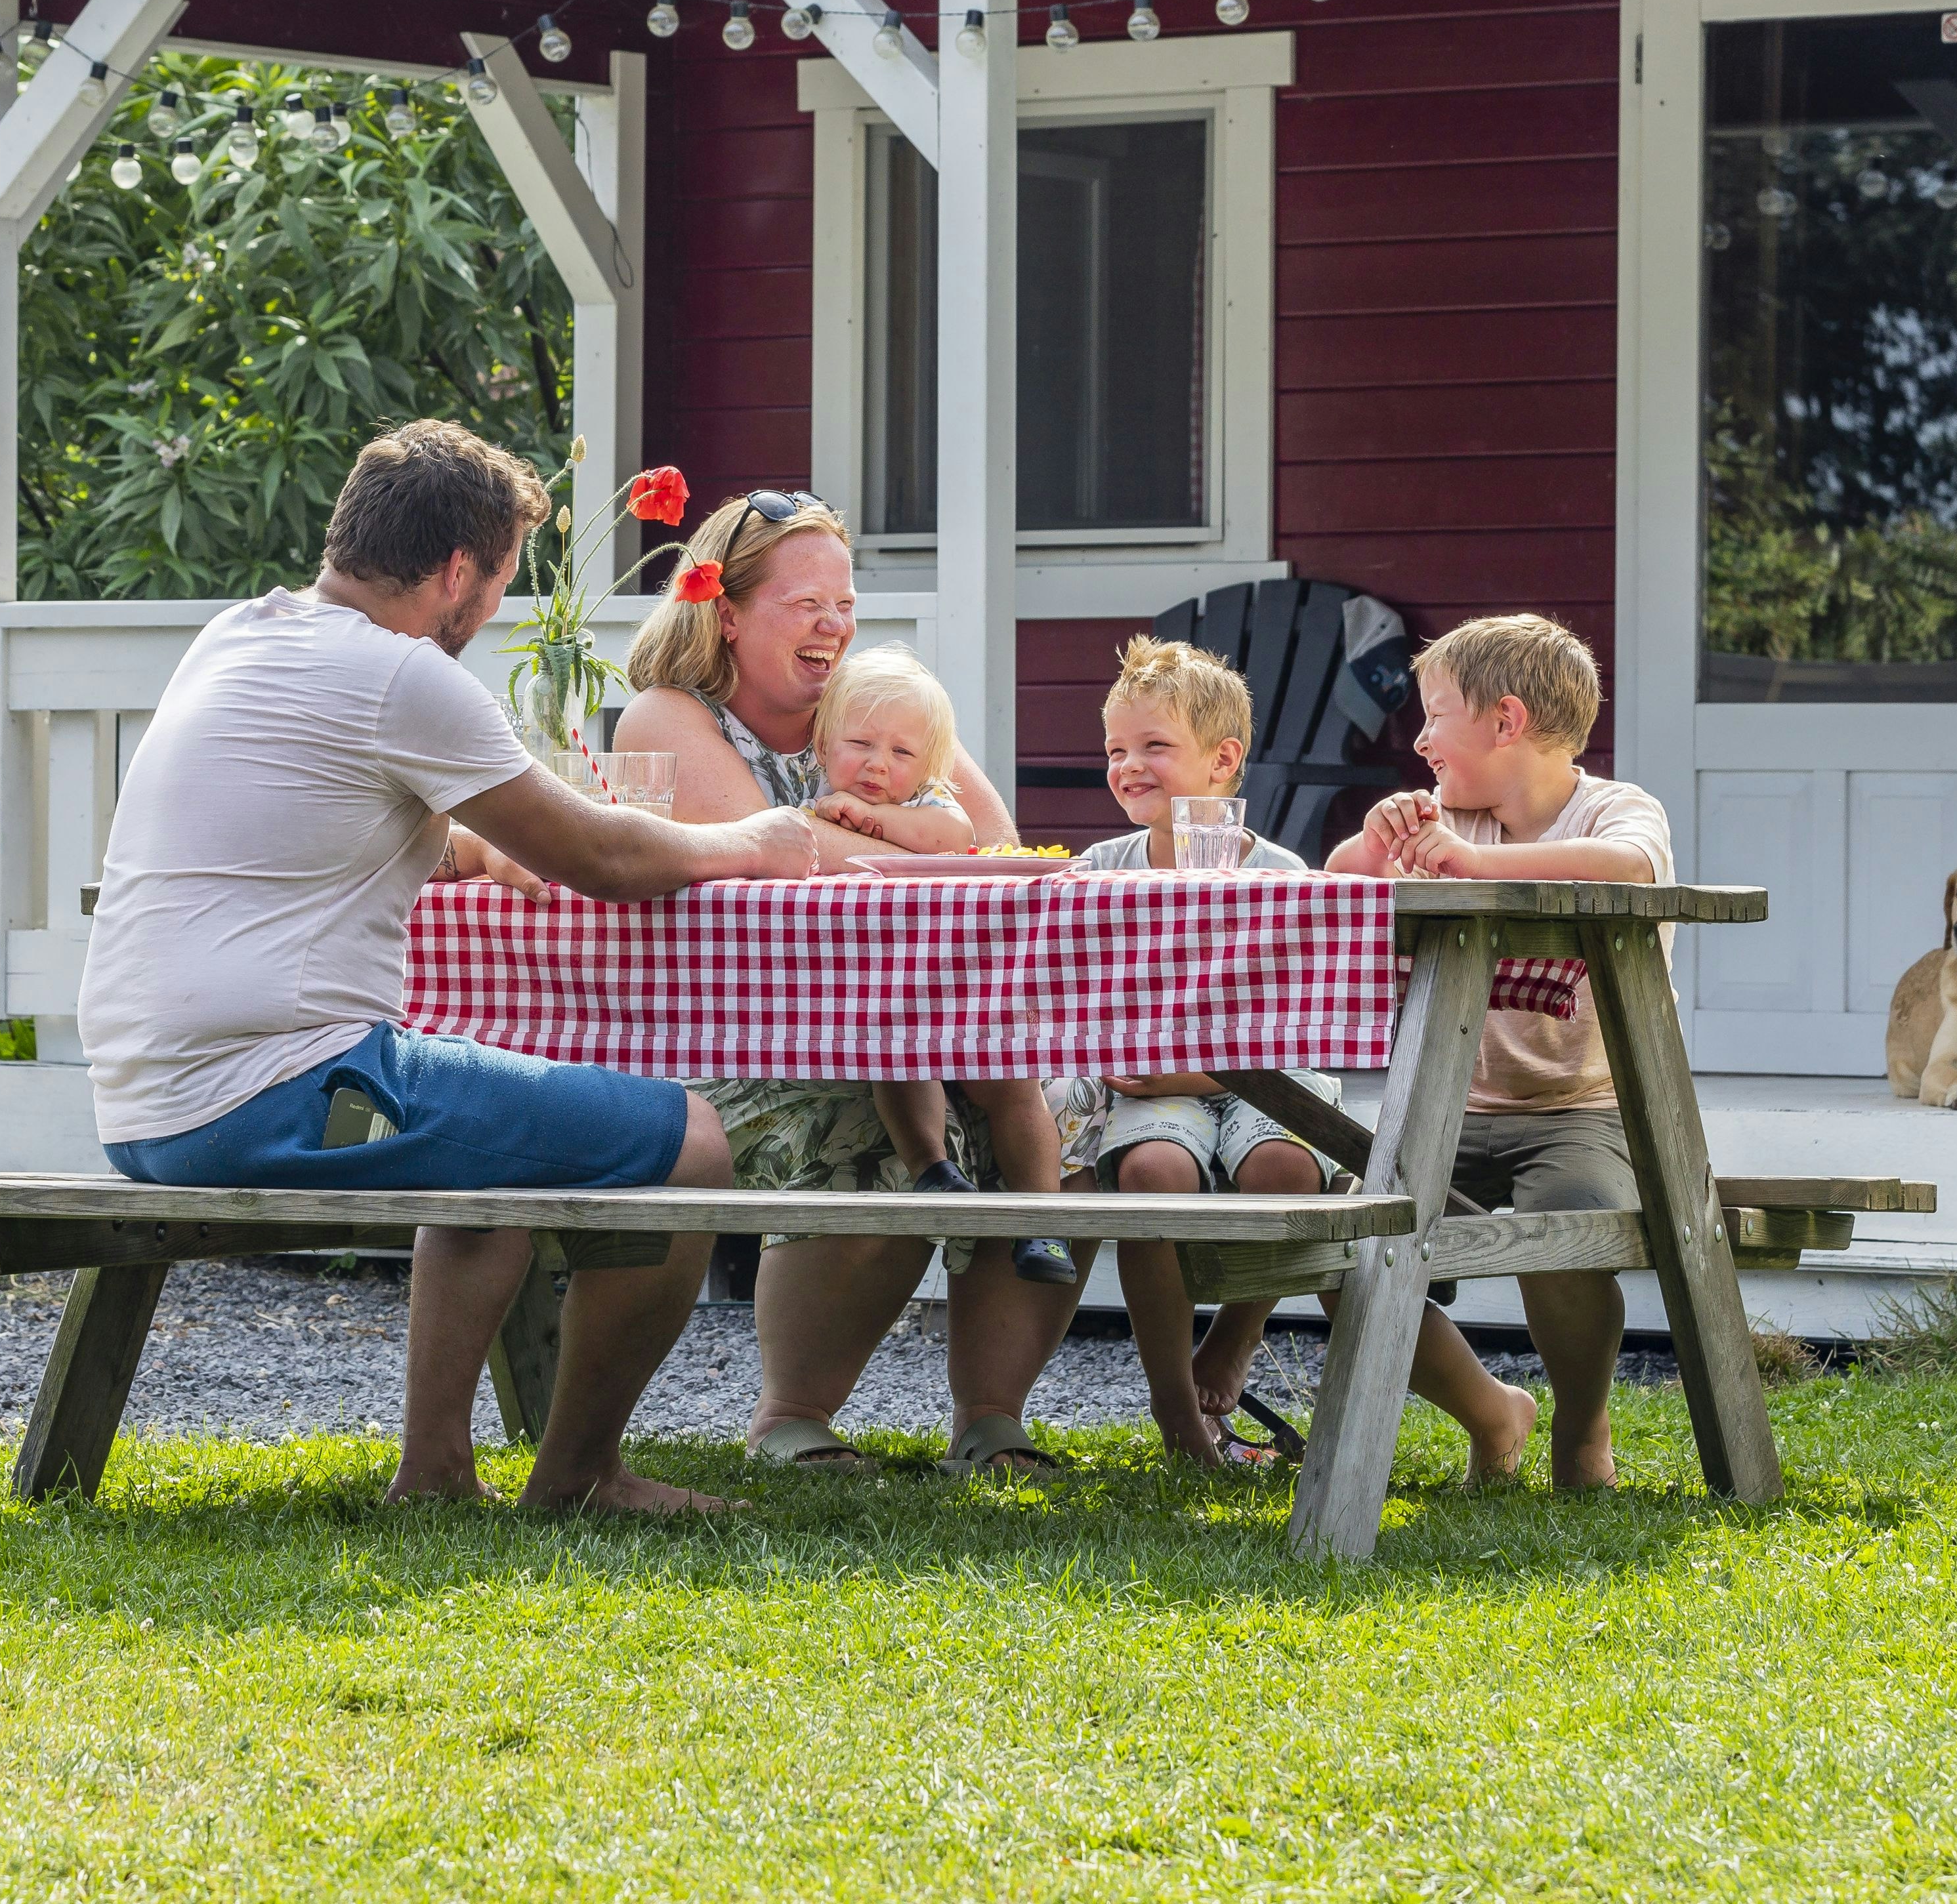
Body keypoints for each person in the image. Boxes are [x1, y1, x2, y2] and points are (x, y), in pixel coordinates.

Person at [77, 421, 815, 1516]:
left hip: (143, 1100)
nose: (497, 613)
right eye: (503, 585)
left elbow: (312, 816)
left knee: (494, 1133)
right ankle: (581, 1478)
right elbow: (602, 855)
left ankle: (435, 1474)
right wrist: (753, 842)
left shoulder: (237, 634)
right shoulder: (400, 675)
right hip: (279, 1095)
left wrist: (466, 847)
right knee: (693, 1145)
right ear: (459, 572)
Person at [610, 491, 1085, 1478]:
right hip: (737, 1042)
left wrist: (907, 842)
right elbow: (774, 855)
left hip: (920, 1024)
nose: (836, 623)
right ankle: (789, 1417)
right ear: (726, 612)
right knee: (879, 1124)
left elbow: (1000, 845)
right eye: (806, 602)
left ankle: (993, 1420)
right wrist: (918, 846)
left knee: (1039, 1107)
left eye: (846, 600)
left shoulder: (878, 704)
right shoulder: (669, 718)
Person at [1076, 636, 1540, 1480]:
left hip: (1269, 1075)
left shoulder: (1281, 875)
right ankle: (1177, 1412)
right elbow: (1087, 1010)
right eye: (1114, 749)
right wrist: (1157, 1073)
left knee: (1287, 1169)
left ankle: (1233, 1339)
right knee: (1151, 1174)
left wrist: (1195, 1072)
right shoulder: (1097, 873)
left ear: (1222, 762)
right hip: (1154, 1084)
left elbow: (1298, 1030)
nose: (1127, 765)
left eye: (1153, 746)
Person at [1326, 611, 1671, 1491]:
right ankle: (1490, 1411)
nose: (1421, 739)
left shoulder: (1615, 809)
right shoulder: (1449, 818)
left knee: (1560, 1226)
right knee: (1341, 1238)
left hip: (1584, 1110)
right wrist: (1376, 844)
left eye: (1435, 715)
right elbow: (1337, 886)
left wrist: (1468, 868)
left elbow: (1630, 866)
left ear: (1506, 721)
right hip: (1451, 1109)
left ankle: (1580, 1429)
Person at [807, 646, 1077, 1289]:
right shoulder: (806, 799)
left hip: (964, 982)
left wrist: (873, 819)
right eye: (861, 743)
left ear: (926, 765)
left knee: (1014, 1083)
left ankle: (1043, 1215)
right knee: (897, 1058)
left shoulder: (926, 802)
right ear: (821, 745)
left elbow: (954, 834)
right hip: (890, 993)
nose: (879, 764)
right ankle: (932, 1168)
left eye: (902, 754)